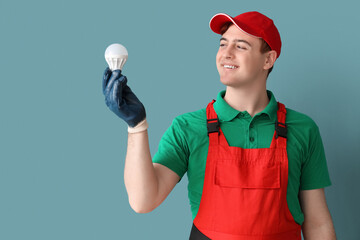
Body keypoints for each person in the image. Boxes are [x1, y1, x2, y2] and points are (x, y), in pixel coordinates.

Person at [102, 11, 337, 240]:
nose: (226, 54)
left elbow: (317, 222)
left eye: (241, 46)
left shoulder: (302, 129)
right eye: (223, 44)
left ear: (268, 59)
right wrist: (136, 125)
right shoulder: (189, 127)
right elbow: (143, 201)